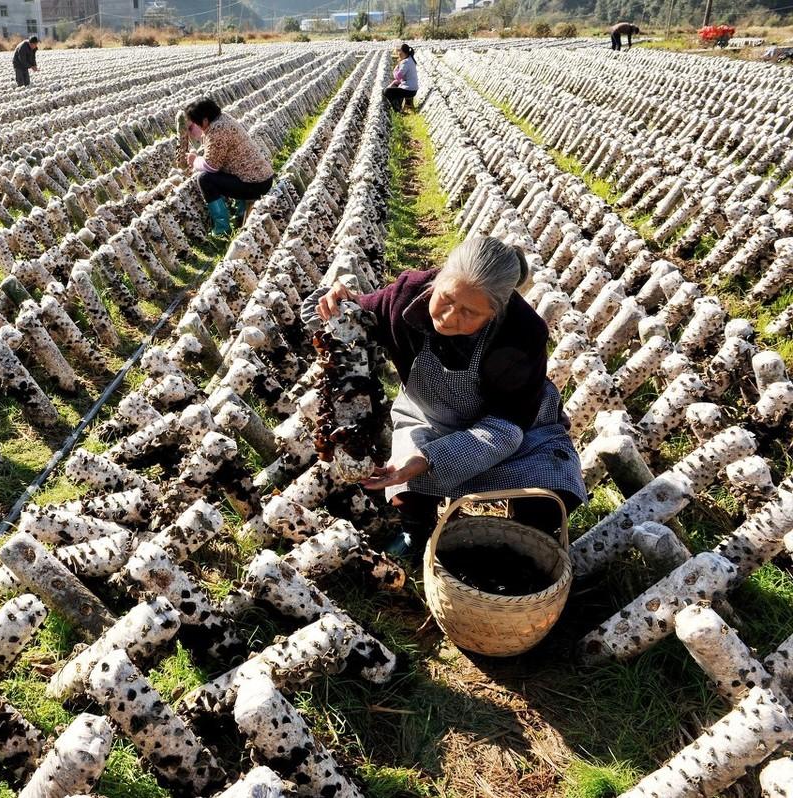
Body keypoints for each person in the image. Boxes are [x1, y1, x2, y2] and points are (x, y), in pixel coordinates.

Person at [315, 236, 586, 555]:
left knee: (552, 500)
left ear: (495, 312)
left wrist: (431, 459)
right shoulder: (406, 297)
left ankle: (512, 541)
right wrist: (335, 301)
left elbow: (508, 425)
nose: (448, 317)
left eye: (469, 313)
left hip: (515, 433)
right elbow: (356, 313)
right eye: (445, 299)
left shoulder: (523, 333)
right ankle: (417, 535)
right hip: (431, 418)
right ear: (438, 279)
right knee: (406, 493)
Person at [180, 98, 275, 236]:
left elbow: (211, 166)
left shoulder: (217, 130)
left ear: (205, 120)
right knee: (229, 170)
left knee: (205, 179)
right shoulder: (223, 119)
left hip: (255, 185)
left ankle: (222, 229)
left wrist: (194, 160)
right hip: (261, 178)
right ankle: (241, 212)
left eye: (193, 125)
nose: (192, 130)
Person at [383, 43, 419, 112]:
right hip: (413, 88)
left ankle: (397, 110)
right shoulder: (410, 59)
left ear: (402, 52)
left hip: (409, 90)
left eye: (399, 51)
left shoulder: (405, 62)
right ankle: (399, 106)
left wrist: (395, 70)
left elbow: (398, 76)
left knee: (386, 91)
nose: (398, 53)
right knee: (396, 85)